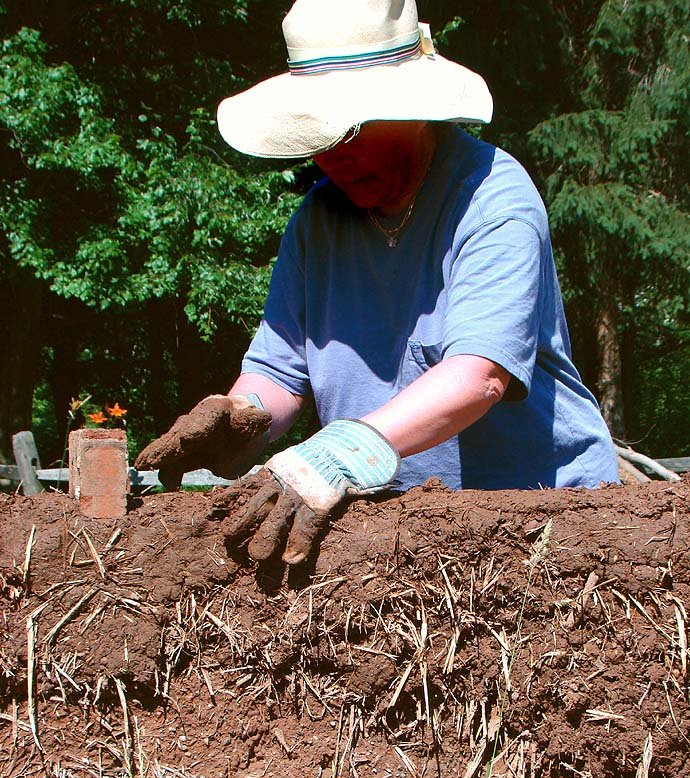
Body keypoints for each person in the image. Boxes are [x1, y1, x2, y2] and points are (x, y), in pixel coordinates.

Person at [136, 0, 619, 565]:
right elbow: (279, 373)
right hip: (392, 530)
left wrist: (337, 452)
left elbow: (479, 375)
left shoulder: (492, 199)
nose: (335, 157)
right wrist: (241, 415)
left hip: (539, 526)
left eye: (354, 129)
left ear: (415, 108)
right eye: (319, 134)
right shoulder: (318, 221)